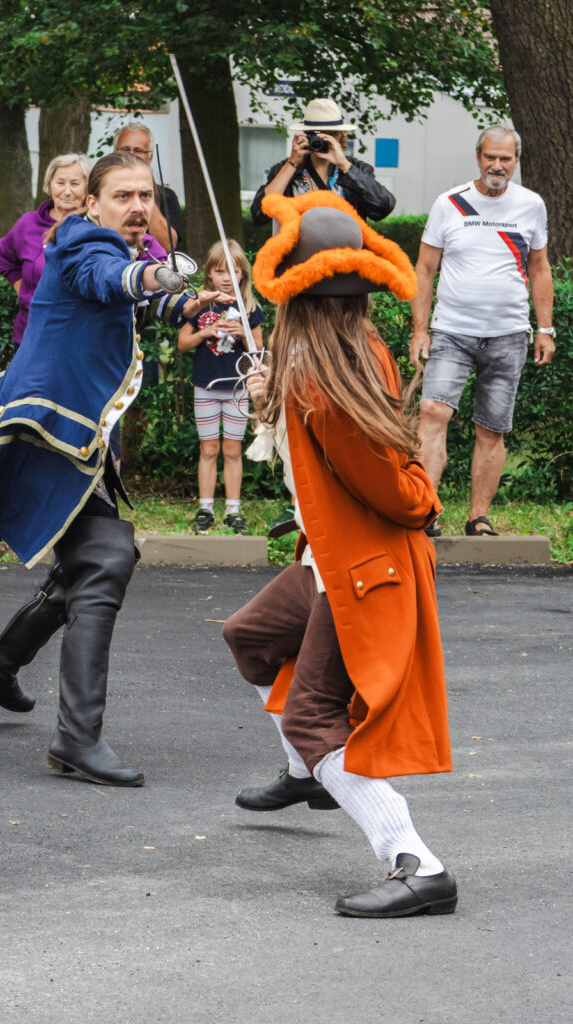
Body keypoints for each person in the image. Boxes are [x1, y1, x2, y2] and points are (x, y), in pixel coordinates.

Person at [0, 152, 232, 788]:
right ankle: (75, 739)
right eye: (123, 195)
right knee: (104, 560)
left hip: (71, 437)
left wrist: (189, 304)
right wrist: (157, 280)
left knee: (88, 566)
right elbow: (115, 284)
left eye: (145, 195)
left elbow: (136, 304)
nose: (138, 206)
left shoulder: (122, 249)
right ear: (92, 203)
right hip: (43, 433)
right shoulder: (80, 240)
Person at [223, 189, 457, 918]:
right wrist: (270, 397)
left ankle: (418, 863)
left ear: (297, 296)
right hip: (330, 560)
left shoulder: (324, 381)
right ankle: (307, 772)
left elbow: (393, 489)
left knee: (316, 719)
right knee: (252, 638)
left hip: (363, 568)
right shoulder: (324, 359)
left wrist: (425, 494)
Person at [409, 125, 555, 537]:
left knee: (491, 428)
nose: (497, 165)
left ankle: (478, 518)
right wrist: (420, 331)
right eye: (490, 157)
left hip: (508, 333)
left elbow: (540, 268)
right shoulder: (449, 203)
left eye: (505, 158)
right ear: (478, 158)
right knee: (433, 412)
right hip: (452, 330)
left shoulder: (530, 205)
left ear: (516, 161)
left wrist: (545, 328)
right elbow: (424, 269)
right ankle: (425, 513)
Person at [178, 239, 264, 536]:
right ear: (209, 275)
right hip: (205, 387)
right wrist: (206, 331)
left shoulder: (250, 307)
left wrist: (242, 334)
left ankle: (233, 510)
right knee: (209, 448)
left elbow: (259, 351)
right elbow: (182, 344)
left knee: (231, 449)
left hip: (237, 389)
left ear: (243, 274)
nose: (227, 277)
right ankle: (205, 508)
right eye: (220, 271)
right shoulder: (200, 304)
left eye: (234, 271)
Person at [250, 98, 395, 226]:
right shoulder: (286, 169)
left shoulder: (356, 169)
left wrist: (344, 165)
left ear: (340, 135)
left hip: (348, 255)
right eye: (316, 134)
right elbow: (259, 214)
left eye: (330, 134)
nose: (322, 140)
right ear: (306, 134)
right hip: (299, 255)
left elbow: (383, 207)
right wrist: (292, 163)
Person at [0, 153, 92, 346]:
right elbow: (5, 256)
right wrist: (23, 290)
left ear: (87, 189)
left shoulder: (96, 227)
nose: (67, 191)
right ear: (49, 186)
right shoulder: (28, 224)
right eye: (60, 183)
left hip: (79, 337)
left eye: (75, 184)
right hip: (30, 334)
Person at [114, 122, 183, 251]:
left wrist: (145, 192)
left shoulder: (167, 196)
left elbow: (168, 246)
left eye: (138, 150)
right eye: (125, 149)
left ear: (150, 157)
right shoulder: (100, 192)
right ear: (114, 153)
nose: (131, 154)